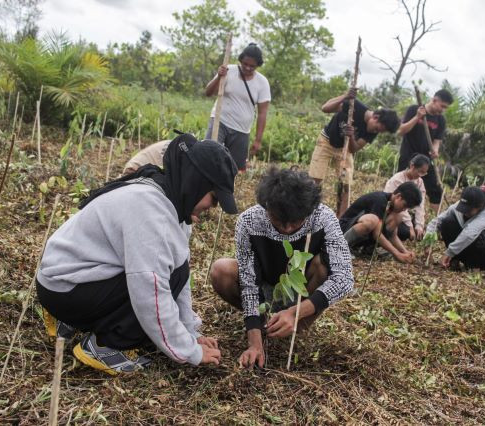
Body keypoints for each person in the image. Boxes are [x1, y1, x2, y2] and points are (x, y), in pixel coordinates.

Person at [36, 135, 238, 374]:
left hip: (63, 282)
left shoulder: (168, 200)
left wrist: (190, 333)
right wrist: (189, 352)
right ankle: (104, 347)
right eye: (213, 198)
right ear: (196, 183)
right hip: (66, 289)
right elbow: (151, 291)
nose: (211, 208)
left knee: (175, 272)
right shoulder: (151, 210)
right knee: (158, 283)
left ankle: (69, 320)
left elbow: (179, 277)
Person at [210, 167, 354, 369]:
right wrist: (254, 343)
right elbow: (249, 282)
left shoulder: (322, 217)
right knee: (221, 270)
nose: (286, 229)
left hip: (302, 290)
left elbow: (344, 278)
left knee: (324, 265)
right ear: (266, 207)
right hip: (266, 286)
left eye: (295, 222)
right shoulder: (250, 221)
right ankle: (265, 324)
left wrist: (297, 313)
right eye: (278, 220)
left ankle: (297, 328)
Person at [308, 88, 400, 217]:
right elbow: (325, 108)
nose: (376, 131)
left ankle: (341, 219)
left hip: (343, 150)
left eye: (381, 131)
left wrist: (351, 136)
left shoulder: (373, 133)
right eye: (378, 128)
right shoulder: (355, 106)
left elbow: (354, 149)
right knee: (315, 180)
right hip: (326, 141)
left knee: (346, 185)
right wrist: (344, 96)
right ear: (375, 117)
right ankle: (307, 210)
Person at [204, 43, 271, 171]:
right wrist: (219, 77)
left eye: (252, 66)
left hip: (241, 129)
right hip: (220, 121)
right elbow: (208, 93)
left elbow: (262, 114)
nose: (247, 68)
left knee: (235, 167)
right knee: (209, 155)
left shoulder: (262, 83)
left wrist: (258, 140)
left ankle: (225, 190)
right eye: (245, 64)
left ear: (258, 65)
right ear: (240, 60)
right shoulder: (228, 71)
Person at [398, 89, 454, 212]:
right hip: (408, 157)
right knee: (403, 188)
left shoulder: (441, 120)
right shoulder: (414, 109)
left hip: (426, 161)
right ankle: (400, 215)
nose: (443, 110)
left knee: (435, 190)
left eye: (446, 108)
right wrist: (417, 117)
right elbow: (401, 131)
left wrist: (435, 151)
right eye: (442, 106)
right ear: (434, 100)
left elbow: (436, 141)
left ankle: (437, 221)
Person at [339, 182, 422, 263]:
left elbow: (392, 236)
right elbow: (377, 234)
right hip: (344, 229)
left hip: (361, 234)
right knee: (372, 220)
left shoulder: (392, 206)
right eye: (404, 206)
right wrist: (396, 254)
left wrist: (405, 252)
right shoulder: (379, 200)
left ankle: (366, 249)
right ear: (398, 197)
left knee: (398, 217)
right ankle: (340, 246)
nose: (404, 209)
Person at [425, 186, 485, 271]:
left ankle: (474, 266)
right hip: (467, 248)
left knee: (479, 237)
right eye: (463, 208)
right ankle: (456, 259)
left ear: (479, 207)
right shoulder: (461, 205)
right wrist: (428, 241)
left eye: (468, 210)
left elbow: (469, 234)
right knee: (447, 221)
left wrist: (449, 253)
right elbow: (438, 221)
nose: (464, 212)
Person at [384, 154, 429, 241]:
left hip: (404, 212)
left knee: (421, 230)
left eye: (424, 173)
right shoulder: (397, 180)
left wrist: (419, 225)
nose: (420, 175)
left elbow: (420, 205)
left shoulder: (419, 182)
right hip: (391, 211)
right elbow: (399, 206)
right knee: (405, 232)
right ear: (412, 166)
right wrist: (410, 226)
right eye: (420, 171)